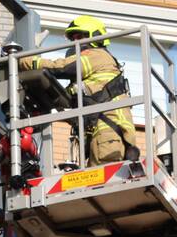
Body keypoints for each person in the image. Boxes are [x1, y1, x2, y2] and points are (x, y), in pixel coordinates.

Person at [18, 15, 136, 166]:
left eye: (79, 37)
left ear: (95, 37)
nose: (75, 43)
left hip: (108, 134)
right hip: (106, 135)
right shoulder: (91, 74)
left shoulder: (97, 55)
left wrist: (22, 61)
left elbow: (61, 67)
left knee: (102, 177)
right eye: (72, 39)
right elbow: (66, 97)